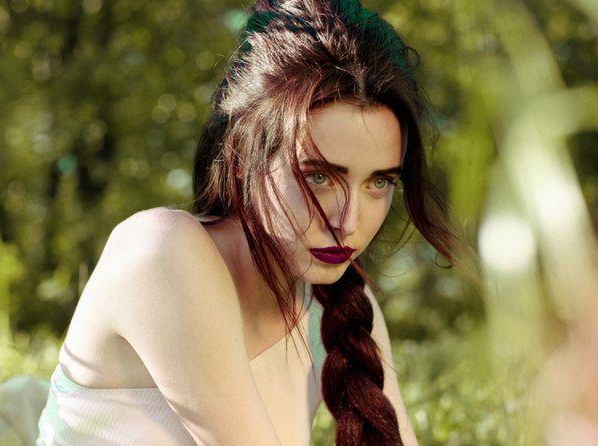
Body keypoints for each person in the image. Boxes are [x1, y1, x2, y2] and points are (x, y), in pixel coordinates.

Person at [36, 0, 453, 445]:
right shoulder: (161, 251)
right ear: (242, 160)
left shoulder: (340, 308)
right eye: (319, 177)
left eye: (379, 182)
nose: (348, 222)